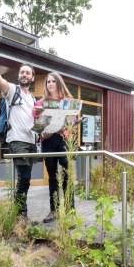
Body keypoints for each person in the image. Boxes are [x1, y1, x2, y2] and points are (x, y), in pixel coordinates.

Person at [0, 55, 36, 218]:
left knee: (26, 178)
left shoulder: (33, 99)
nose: (24, 75)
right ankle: (21, 215)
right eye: (22, 72)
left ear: (32, 77)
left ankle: (18, 211)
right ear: (19, 76)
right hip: (17, 140)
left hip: (31, 142)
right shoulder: (12, 90)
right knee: (24, 176)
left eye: (28, 73)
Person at [33, 72, 76, 223]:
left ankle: (70, 210)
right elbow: (37, 122)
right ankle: (54, 210)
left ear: (58, 83)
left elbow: (71, 121)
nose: (50, 84)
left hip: (63, 139)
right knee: (52, 176)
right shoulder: (40, 103)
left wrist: (74, 121)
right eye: (48, 82)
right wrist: (41, 124)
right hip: (48, 141)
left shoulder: (68, 101)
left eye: (53, 81)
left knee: (66, 174)